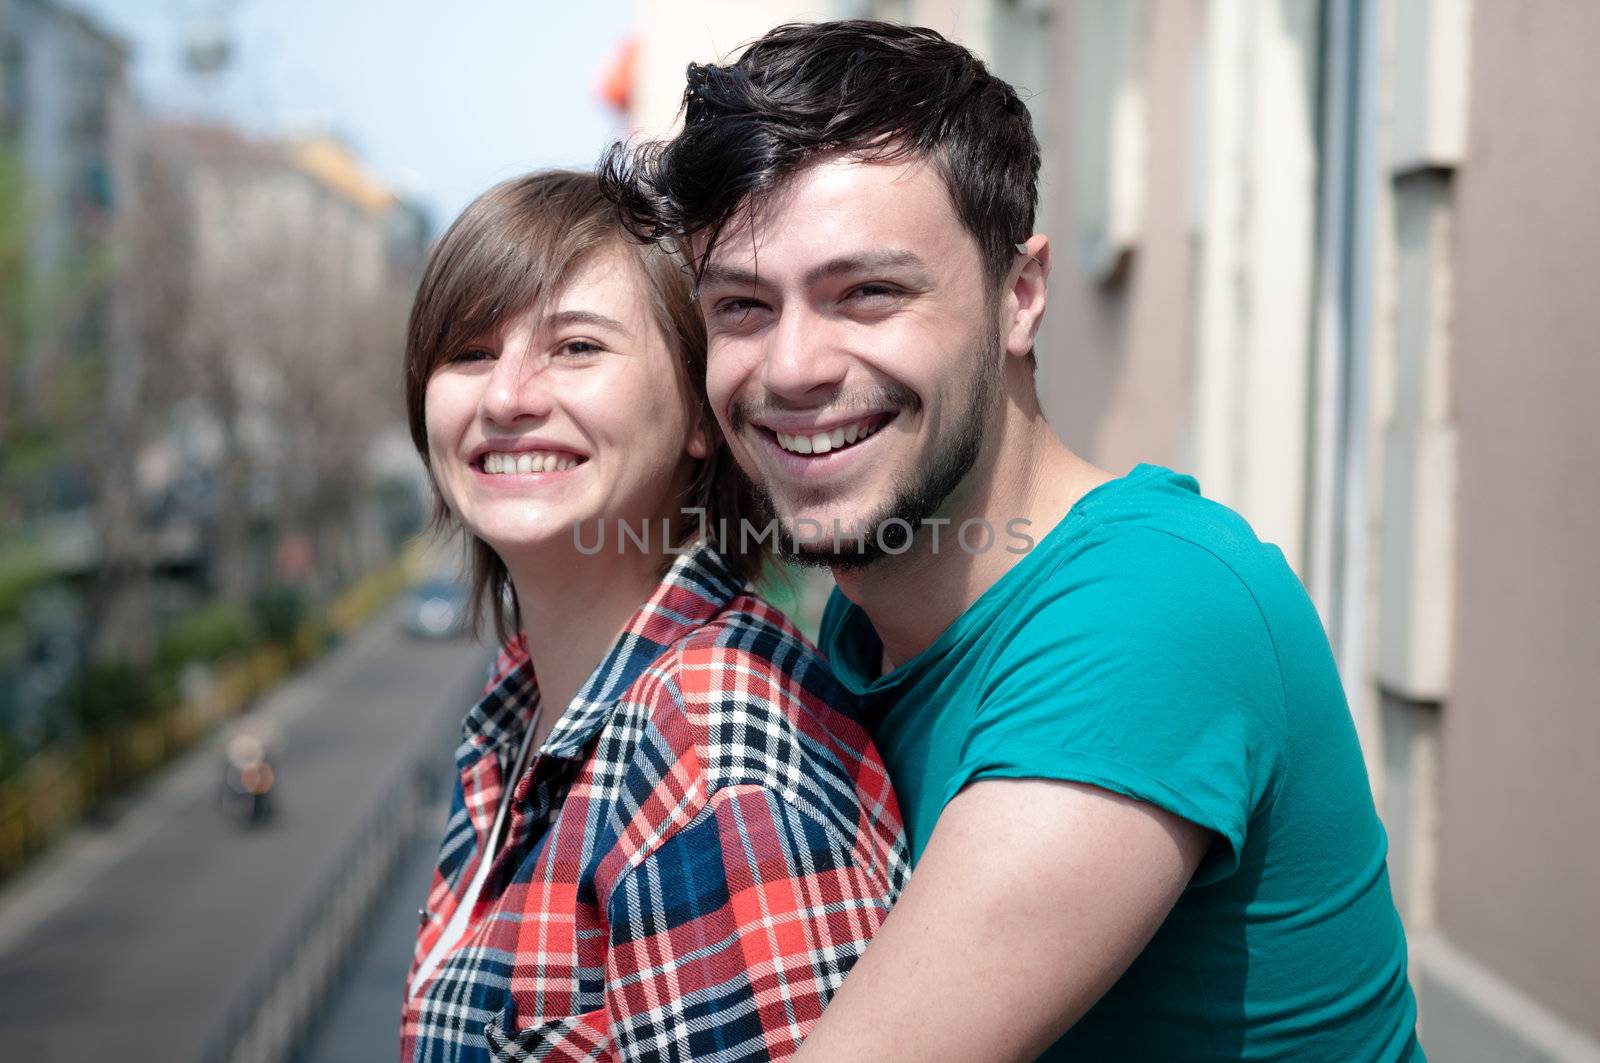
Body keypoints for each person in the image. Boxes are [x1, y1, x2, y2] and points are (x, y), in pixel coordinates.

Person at [602, 20, 1424, 1062]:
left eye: (869, 292)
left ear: (1018, 296)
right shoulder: (859, 630)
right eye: (743, 307)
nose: (794, 364)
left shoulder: (1152, 607)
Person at [398, 170, 908, 1062]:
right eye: (470, 352)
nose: (506, 396)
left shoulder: (708, 743)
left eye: (577, 348)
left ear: (699, 414)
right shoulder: (525, 708)